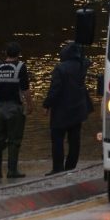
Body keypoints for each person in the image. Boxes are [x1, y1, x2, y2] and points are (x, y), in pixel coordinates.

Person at [43, 43, 91, 176]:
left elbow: (55, 89)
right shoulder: (82, 65)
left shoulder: (60, 68)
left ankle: (58, 168)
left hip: (61, 110)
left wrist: (46, 105)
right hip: (78, 109)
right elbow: (87, 59)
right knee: (74, 141)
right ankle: (70, 167)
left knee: (57, 140)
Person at [0, 42, 32, 179]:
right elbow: (25, 89)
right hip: (14, 108)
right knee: (14, 140)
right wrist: (30, 105)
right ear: (19, 54)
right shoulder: (20, 67)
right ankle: (12, 171)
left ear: (6, 53)